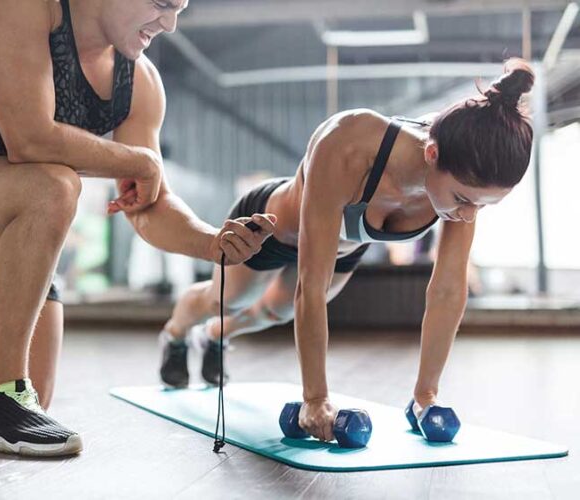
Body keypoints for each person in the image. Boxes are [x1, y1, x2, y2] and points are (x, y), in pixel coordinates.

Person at [0, 0, 276, 457]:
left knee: (32, 388)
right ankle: (3, 405)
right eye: (163, 4)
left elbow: (148, 201)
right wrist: (140, 161)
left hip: (21, 227)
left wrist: (213, 241)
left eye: (180, 8)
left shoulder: (140, 82)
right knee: (55, 184)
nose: (171, 23)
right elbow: (30, 139)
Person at [158, 59, 534, 442]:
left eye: (482, 206)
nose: (469, 215)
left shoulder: (466, 168)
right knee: (231, 298)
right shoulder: (350, 142)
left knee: (275, 311)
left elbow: (448, 289)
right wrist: (315, 398)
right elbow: (311, 283)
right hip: (271, 231)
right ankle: (175, 335)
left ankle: (213, 336)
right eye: (463, 200)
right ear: (432, 154)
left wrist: (426, 394)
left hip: (343, 247)